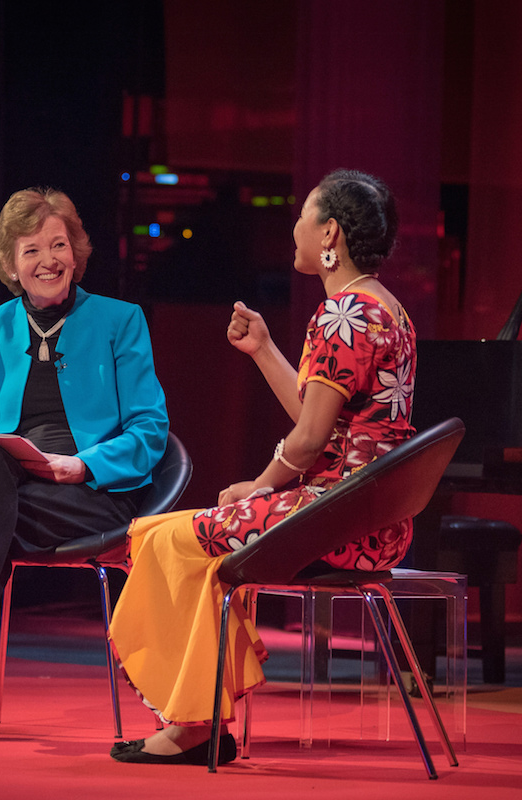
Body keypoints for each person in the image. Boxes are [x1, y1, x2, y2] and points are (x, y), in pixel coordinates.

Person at [108, 169, 416, 765]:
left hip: (335, 520)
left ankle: (193, 724)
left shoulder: (342, 315)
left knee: (162, 538)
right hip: (375, 523)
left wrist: (257, 485)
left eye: (303, 215)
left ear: (329, 231)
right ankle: (200, 718)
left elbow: (305, 446)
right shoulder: (387, 310)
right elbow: (320, 419)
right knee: (175, 538)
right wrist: (265, 350)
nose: (294, 226)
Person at [0, 187, 168, 741]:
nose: (47, 260)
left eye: (58, 246)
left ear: (76, 255)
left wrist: (83, 465)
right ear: (11, 264)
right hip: (7, 480)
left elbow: (151, 431)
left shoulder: (120, 321)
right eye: (31, 250)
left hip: (90, 492)